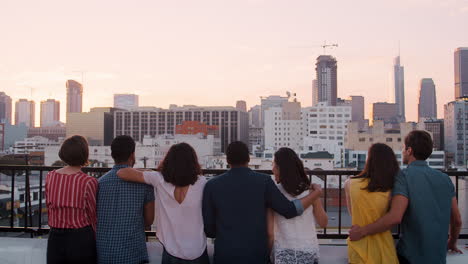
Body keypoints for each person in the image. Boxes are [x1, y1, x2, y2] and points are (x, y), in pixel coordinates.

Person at [349, 130, 463, 264]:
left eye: (403, 148)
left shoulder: (403, 176)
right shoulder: (445, 179)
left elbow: (395, 217)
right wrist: (451, 242)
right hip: (438, 257)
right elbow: (457, 220)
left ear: (409, 151)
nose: (403, 151)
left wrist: (362, 231)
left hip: (410, 257)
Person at [202, 141, 322, 264]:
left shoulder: (212, 185)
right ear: (249, 159)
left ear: (227, 160)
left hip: (225, 255)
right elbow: (289, 210)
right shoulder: (264, 182)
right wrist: (315, 194)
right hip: (256, 255)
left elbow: (209, 230)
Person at [117, 143, 210, 264]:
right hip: (198, 251)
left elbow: (121, 172)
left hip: (171, 251)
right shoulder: (203, 183)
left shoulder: (159, 179)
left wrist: (149, 172)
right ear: (193, 162)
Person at [96, 135, 155, 264]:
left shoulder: (99, 183)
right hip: (133, 254)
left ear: (112, 155)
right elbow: (149, 220)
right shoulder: (145, 184)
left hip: (103, 253)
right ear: (132, 155)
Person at [267, 147, 328, 264]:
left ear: (281, 169)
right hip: (308, 251)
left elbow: (270, 233)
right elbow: (323, 223)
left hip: (283, 252)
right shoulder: (311, 192)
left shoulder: (273, 193)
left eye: (274, 165)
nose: (272, 169)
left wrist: (267, 255)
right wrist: (317, 195)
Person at [45, 135, 98, 264]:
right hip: (80, 238)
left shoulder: (50, 176)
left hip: (55, 236)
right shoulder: (88, 181)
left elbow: (48, 204)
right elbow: (92, 213)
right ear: (84, 154)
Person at [344, 143, 400, 264]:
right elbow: (393, 218)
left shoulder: (349, 183)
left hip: (358, 243)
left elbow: (352, 213)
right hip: (384, 245)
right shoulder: (392, 186)